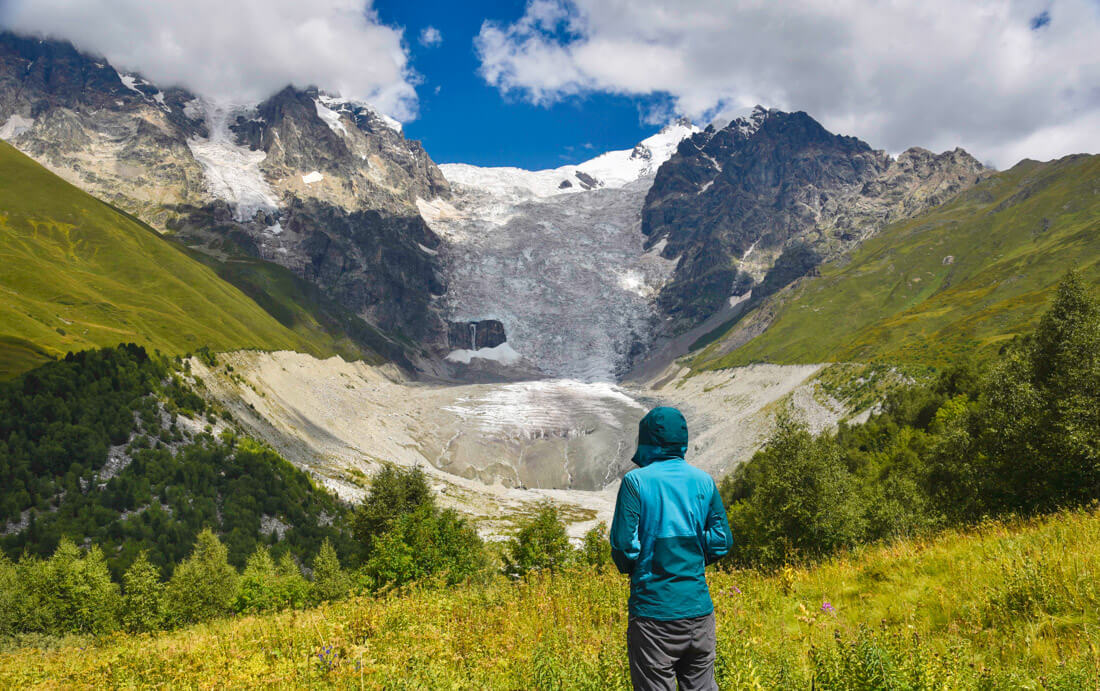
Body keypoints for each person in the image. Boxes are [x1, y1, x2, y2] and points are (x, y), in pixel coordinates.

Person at [610, 406, 733, 691]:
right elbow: (721, 541)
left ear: (647, 439)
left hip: (654, 614)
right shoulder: (704, 481)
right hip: (699, 613)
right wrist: (689, 553)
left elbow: (624, 547)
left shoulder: (635, 482)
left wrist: (638, 566)